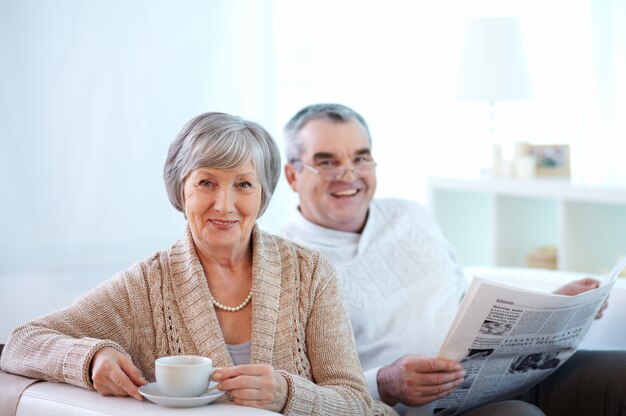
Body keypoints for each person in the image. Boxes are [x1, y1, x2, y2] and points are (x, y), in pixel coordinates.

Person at [0, 112, 395, 415]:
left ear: (263, 194)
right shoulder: (145, 284)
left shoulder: (308, 272)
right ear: (181, 189)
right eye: (206, 183)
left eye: (243, 184)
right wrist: (91, 360)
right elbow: (20, 343)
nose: (224, 205)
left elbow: (355, 401)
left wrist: (287, 395)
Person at [280, 103, 626, 416]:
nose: (348, 174)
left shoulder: (410, 215)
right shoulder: (286, 263)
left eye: (360, 158)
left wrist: (553, 305)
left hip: (508, 375)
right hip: (424, 409)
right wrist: (384, 383)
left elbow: (465, 304)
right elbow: (297, 387)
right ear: (293, 175)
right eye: (327, 162)